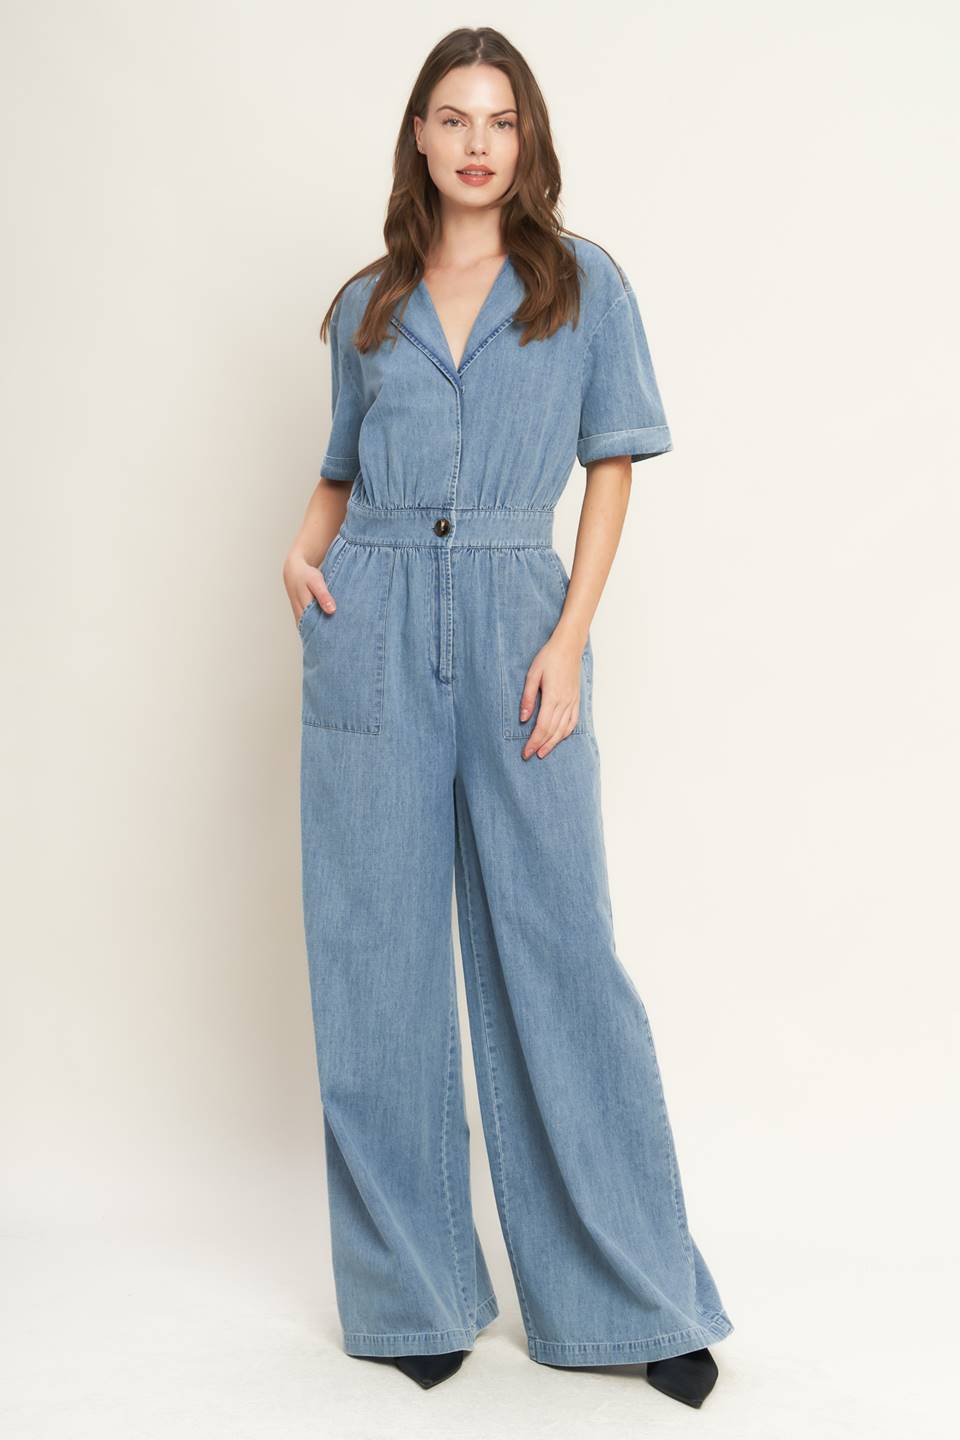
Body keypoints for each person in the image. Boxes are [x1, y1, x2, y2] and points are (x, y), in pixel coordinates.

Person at [282, 26, 734, 1406]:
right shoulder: (368, 303)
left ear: (526, 141)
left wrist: (569, 636)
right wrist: (298, 558)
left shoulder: (584, 286)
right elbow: (340, 472)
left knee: (558, 947)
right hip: (368, 618)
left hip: (515, 610)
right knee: (374, 960)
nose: (478, 141)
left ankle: (629, 1295)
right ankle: (411, 1293)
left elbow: (611, 468)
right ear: (418, 139)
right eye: (451, 117)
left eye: (501, 119)